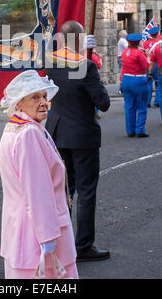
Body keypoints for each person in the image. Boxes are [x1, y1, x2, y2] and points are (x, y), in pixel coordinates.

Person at [0, 70, 78, 279]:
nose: (43, 102)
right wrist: (48, 238)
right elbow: (38, 192)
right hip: (37, 236)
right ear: (19, 104)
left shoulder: (15, 128)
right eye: (35, 97)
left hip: (20, 230)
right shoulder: (30, 133)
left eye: (44, 96)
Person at [45, 21, 110, 262]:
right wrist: (93, 67)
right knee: (85, 191)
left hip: (58, 133)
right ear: (80, 40)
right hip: (82, 136)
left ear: (61, 39)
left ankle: (61, 244)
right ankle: (83, 245)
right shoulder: (87, 66)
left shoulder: (51, 62)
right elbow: (103, 102)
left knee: (63, 191)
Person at [121, 33, 149, 137]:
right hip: (138, 80)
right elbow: (146, 66)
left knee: (129, 106)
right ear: (138, 42)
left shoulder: (124, 52)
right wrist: (148, 56)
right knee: (141, 106)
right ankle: (140, 130)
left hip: (126, 79)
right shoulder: (139, 53)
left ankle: (130, 130)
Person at [142, 27, 161, 108]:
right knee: (158, 84)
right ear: (157, 34)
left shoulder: (145, 43)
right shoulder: (160, 43)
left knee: (148, 84)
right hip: (157, 64)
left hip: (148, 63)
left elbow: (143, 54)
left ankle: (147, 102)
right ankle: (157, 101)